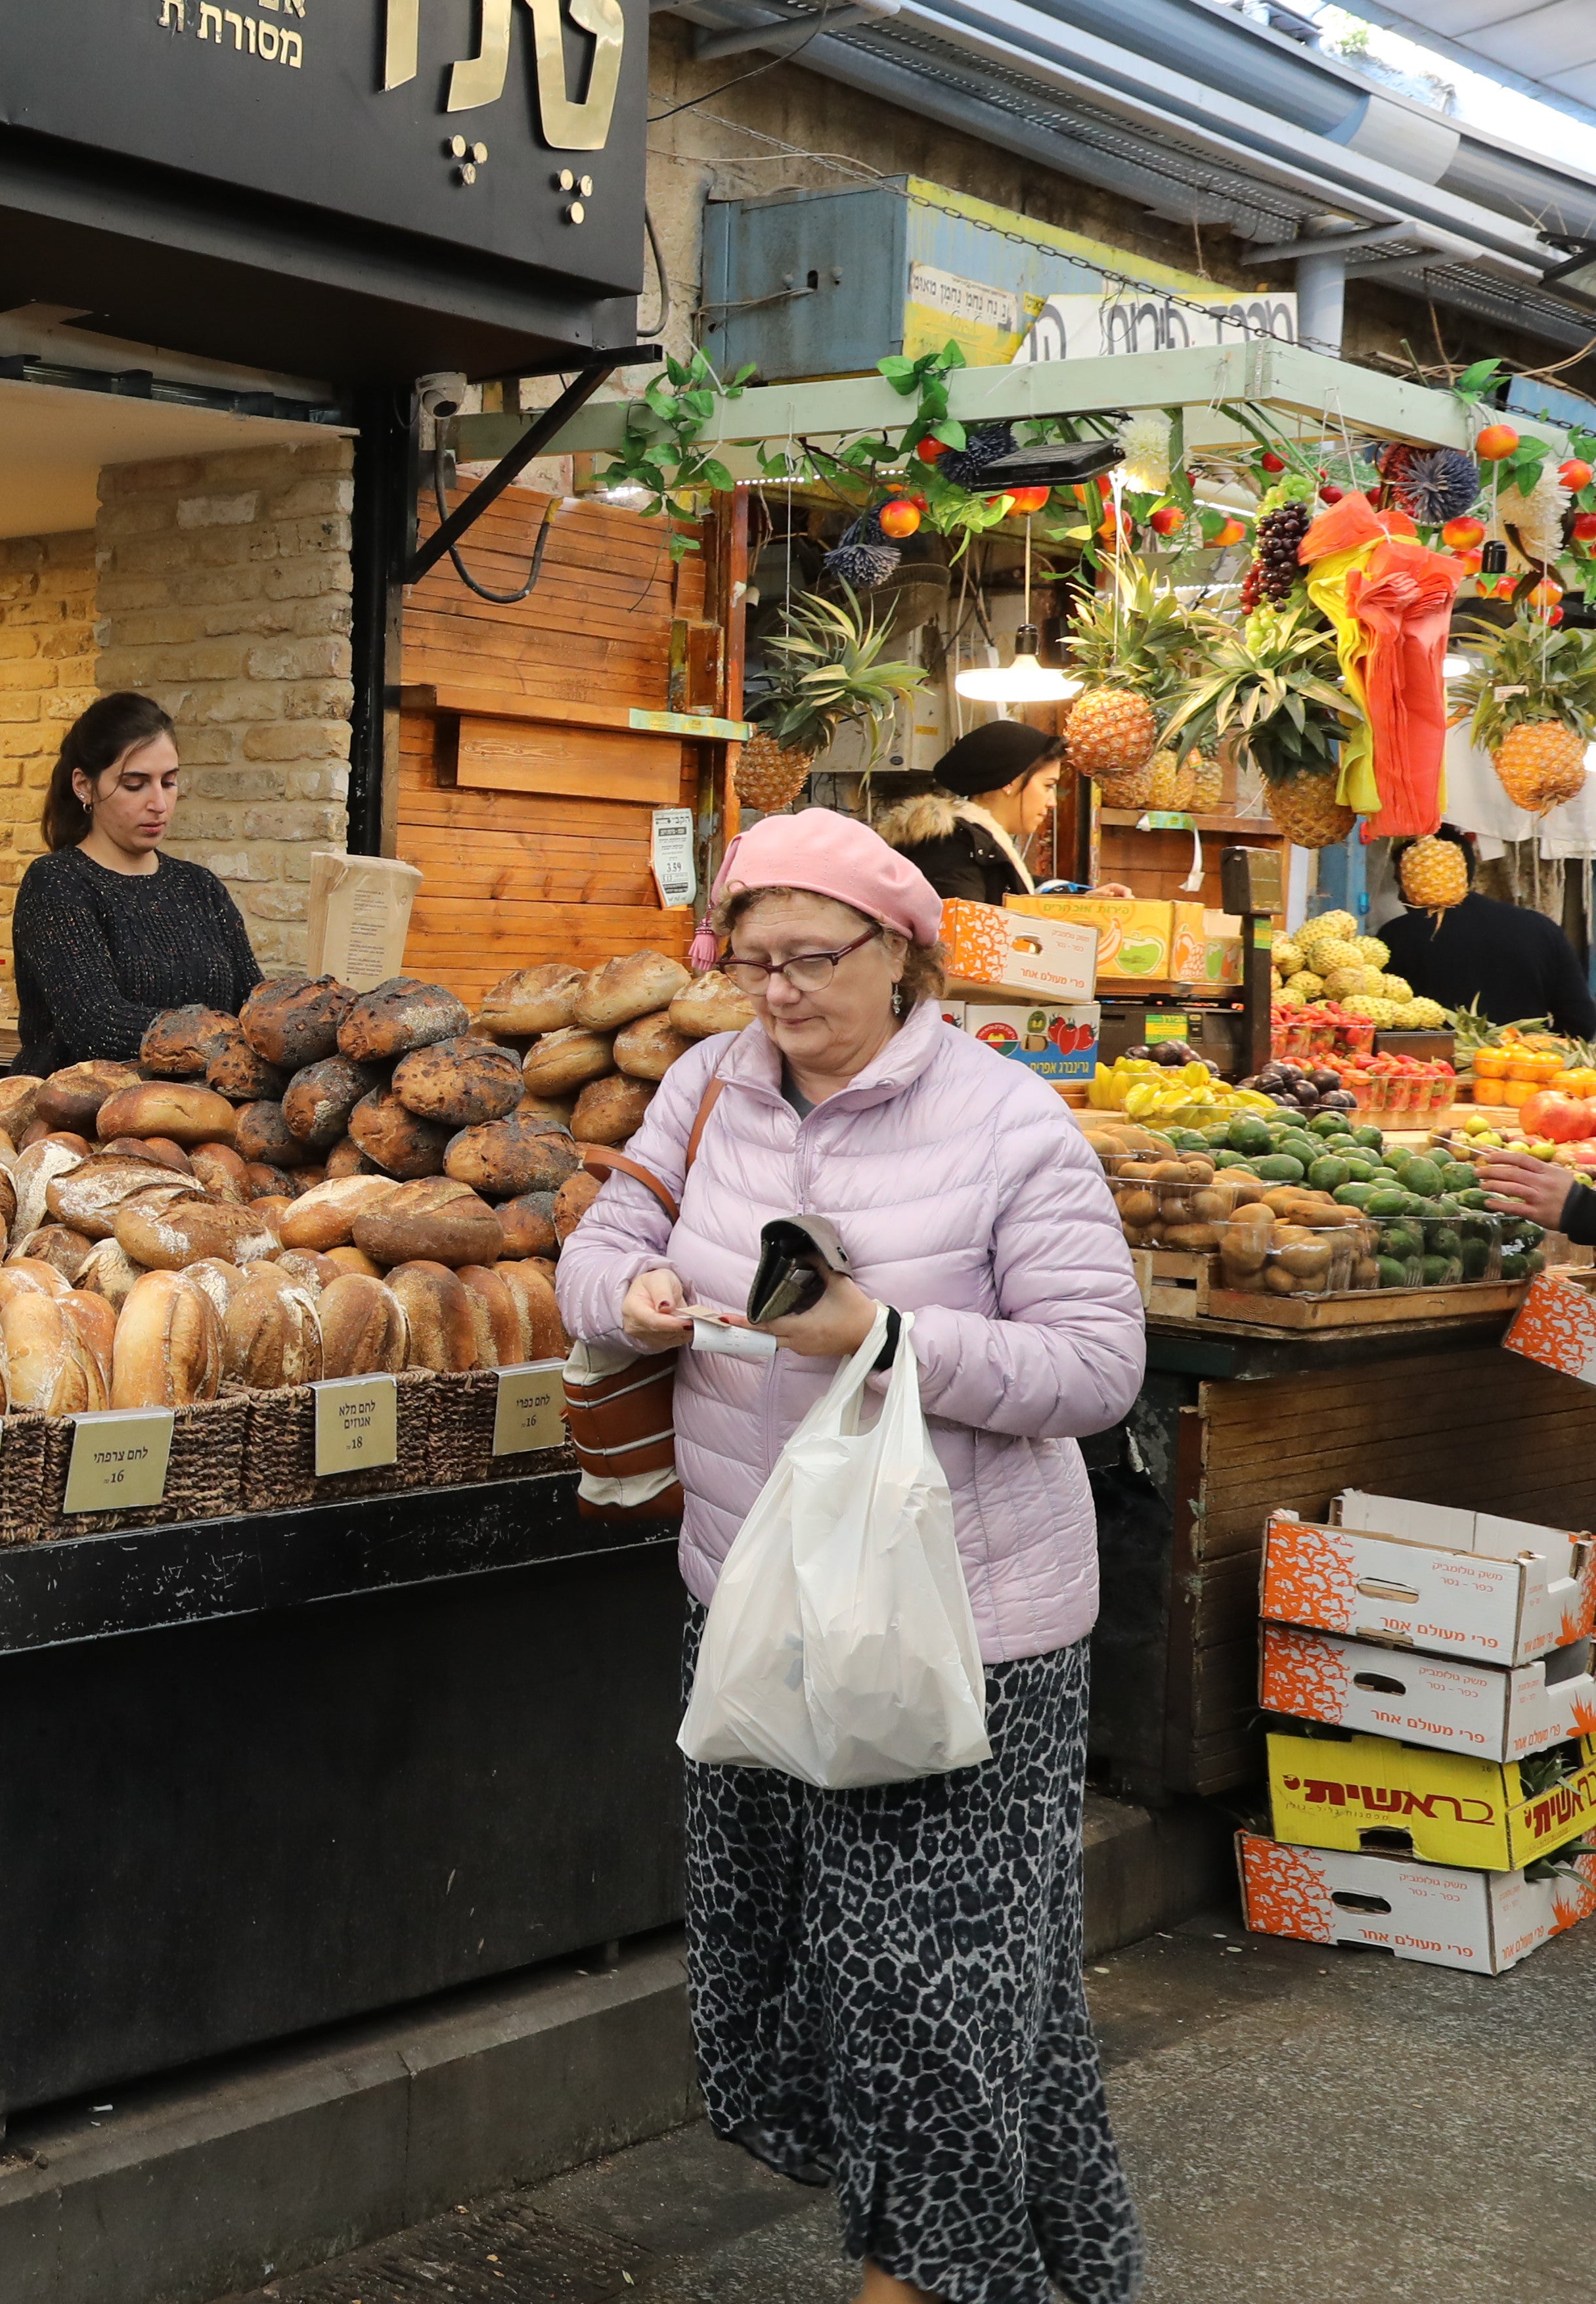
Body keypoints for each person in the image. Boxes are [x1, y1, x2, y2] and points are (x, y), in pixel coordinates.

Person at [560, 808, 1143, 2304]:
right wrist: (628, 1290)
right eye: (750, 961)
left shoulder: (1012, 1126)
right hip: (749, 1605)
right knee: (790, 1994)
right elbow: (601, 1232)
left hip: (961, 1629)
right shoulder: (705, 1088)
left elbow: (1093, 1370)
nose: (779, 991)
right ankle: (1078, 2273)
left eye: (811, 957)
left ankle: (927, 2274)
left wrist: (884, 1337)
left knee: (930, 2002)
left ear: (903, 955)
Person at [9, 690, 261, 1073]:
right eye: (135, 784)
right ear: (84, 786)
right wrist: (220, 1039)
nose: (158, 803)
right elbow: (94, 1023)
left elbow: (251, 1005)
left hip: (199, 1116)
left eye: (169, 782)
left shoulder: (200, 887)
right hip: (78, 1117)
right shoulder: (58, 884)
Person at [1377, 833, 1596, 1037]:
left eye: (1401, 883)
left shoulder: (1396, 936)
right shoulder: (1541, 928)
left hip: (1428, 1071)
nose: (1399, 896)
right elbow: (1581, 1023)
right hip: (1523, 1070)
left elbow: (1379, 1023)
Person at [876, 719, 1065, 903]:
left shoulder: (973, 846)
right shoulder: (952, 846)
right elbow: (954, 929)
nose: (1052, 802)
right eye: (1048, 786)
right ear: (1011, 781)